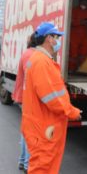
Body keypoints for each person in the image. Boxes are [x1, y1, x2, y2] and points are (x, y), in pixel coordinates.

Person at [22, 22, 82, 174]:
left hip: (43, 125)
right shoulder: (42, 62)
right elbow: (53, 98)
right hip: (44, 128)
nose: (59, 41)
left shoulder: (40, 60)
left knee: (46, 167)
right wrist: (72, 112)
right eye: (57, 37)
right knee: (42, 168)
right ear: (49, 38)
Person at [12, 33, 37, 173]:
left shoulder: (28, 53)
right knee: (30, 134)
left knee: (26, 132)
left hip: (24, 97)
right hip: (27, 99)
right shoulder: (31, 55)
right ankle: (27, 165)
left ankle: (23, 161)